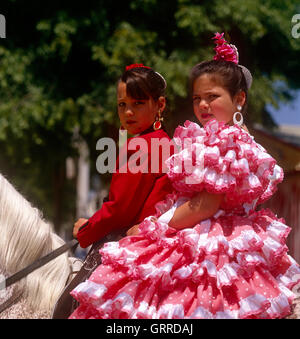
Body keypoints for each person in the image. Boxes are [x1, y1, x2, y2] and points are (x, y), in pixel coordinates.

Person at [68, 33, 300, 319]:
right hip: (217, 228)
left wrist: (152, 226)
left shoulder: (224, 143)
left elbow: (205, 205)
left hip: (212, 235)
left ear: (239, 99)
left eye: (212, 97)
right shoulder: (221, 139)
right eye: (197, 98)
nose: (203, 105)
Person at [52, 64, 174, 319]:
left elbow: (119, 210)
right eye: (122, 105)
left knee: (65, 310)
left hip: (126, 241)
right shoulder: (163, 141)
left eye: (138, 103)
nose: (128, 112)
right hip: (153, 244)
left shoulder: (142, 146)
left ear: (159, 105)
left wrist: (85, 230)